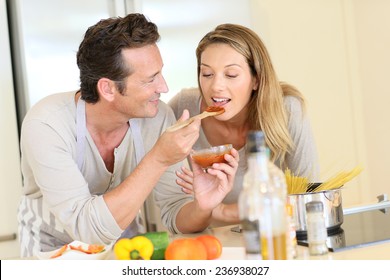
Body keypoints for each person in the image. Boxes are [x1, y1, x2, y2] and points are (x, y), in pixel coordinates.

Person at [17, 13, 238, 257]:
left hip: (128, 251)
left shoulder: (157, 118)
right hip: (51, 256)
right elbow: (87, 229)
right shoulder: (47, 125)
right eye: (150, 79)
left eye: (160, 73)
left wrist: (202, 207)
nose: (163, 87)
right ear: (108, 88)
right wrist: (158, 158)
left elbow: (176, 214)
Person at [160, 23, 320, 231]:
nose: (215, 86)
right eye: (207, 74)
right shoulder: (182, 110)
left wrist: (223, 211)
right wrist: (204, 208)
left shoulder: (287, 110)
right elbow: (176, 220)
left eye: (231, 75)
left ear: (256, 79)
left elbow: (308, 200)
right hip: (211, 247)